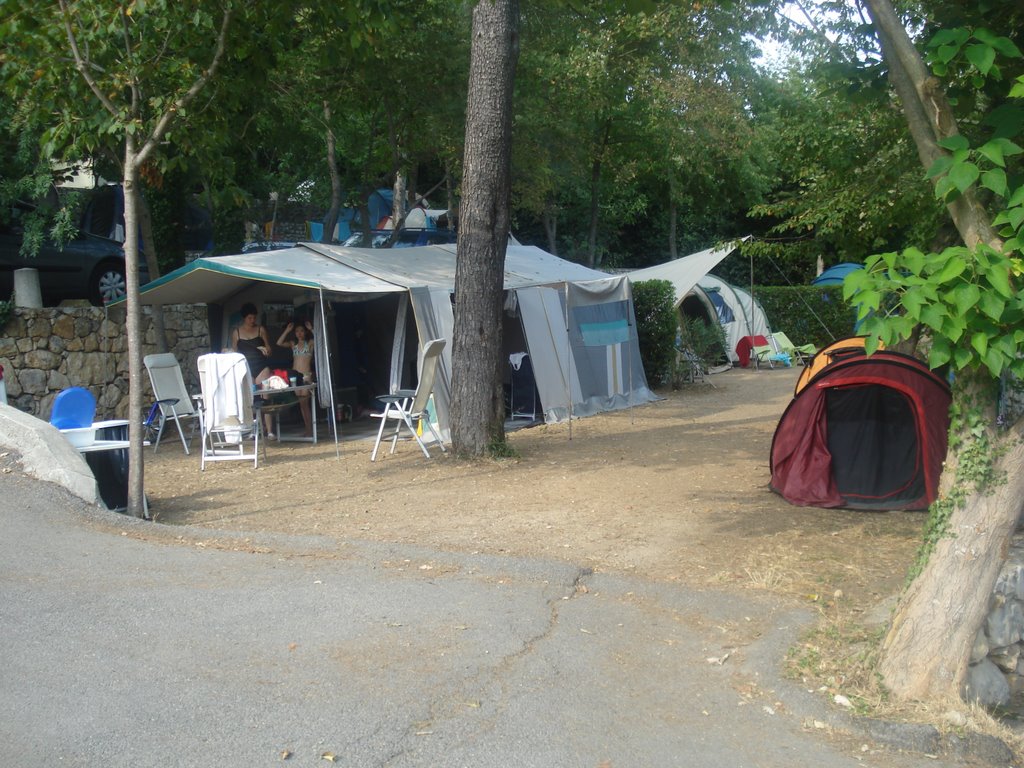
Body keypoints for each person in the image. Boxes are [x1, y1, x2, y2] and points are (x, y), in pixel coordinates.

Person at [231, 303, 276, 437]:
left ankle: (270, 431)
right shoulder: (237, 332)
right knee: (250, 399)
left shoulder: (260, 329)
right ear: (244, 318)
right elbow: (234, 352)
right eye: (250, 318)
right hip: (246, 368)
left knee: (265, 396)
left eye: (254, 318)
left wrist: (266, 350)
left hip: (261, 366)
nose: (252, 321)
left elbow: (269, 349)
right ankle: (254, 429)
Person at [277, 319, 315, 436]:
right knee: (302, 404)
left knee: (305, 404)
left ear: (305, 332)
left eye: (302, 331)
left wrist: (311, 329)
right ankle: (308, 429)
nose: (299, 333)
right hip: (295, 376)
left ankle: (309, 429)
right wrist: (287, 331)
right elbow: (279, 343)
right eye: (297, 331)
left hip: (306, 376)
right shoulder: (293, 344)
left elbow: (320, 340)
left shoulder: (310, 343)